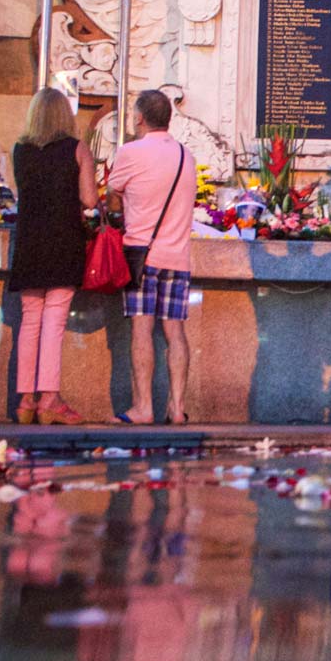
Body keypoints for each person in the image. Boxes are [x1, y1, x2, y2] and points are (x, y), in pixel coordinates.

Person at [7, 87, 99, 424]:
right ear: (65, 115)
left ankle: (25, 400)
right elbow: (89, 199)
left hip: (29, 240)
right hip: (62, 239)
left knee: (30, 320)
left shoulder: (20, 150)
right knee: (55, 319)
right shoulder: (76, 149)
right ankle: (50, 399)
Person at [106, 89, 197, 425]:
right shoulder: (187, 156)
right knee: (175, 331)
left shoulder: (131, 151)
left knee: (142, 330)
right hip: (178, 256)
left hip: (141, 253)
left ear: (140, 118)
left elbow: (112, 195)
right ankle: (176, 407)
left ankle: (143, 407)